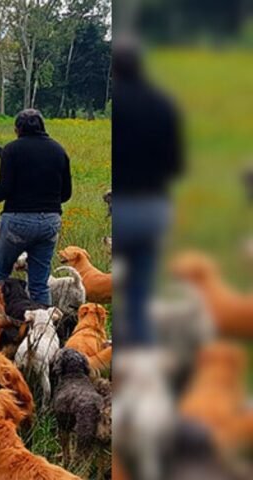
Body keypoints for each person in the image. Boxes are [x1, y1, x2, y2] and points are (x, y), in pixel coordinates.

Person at [112, 38, 182, 345]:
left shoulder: (120, 105)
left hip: (124, 206)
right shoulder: (164, 104)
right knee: (141, 293)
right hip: (155, 206)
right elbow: (176, 164)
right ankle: (145, 357)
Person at [0, 109, 72, 305]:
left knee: (0, 275)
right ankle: (44, 330)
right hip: (50, 222)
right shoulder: (59, 150)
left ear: (18, 129)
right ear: (43, 127)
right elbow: (66, 194)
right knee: (39, 284)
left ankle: (0, 324)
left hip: (18, 220)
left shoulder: (11, 150)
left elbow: (3, 191)